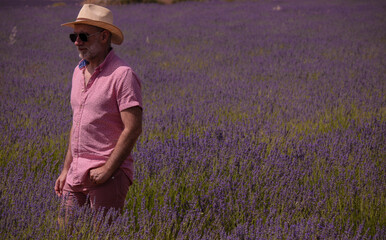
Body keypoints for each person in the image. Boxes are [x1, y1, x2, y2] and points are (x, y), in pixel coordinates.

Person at [54, 3, 142, 220]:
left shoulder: (123, 75)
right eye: (73, 37)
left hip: (107, 175)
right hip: (76, 172)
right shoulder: (78, 71)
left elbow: (133, 128)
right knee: (66, 231)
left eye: (83, 36)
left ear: (104, 37)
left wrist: (107, 170)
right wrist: (66, 169)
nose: (77, 42)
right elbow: (78, 123)